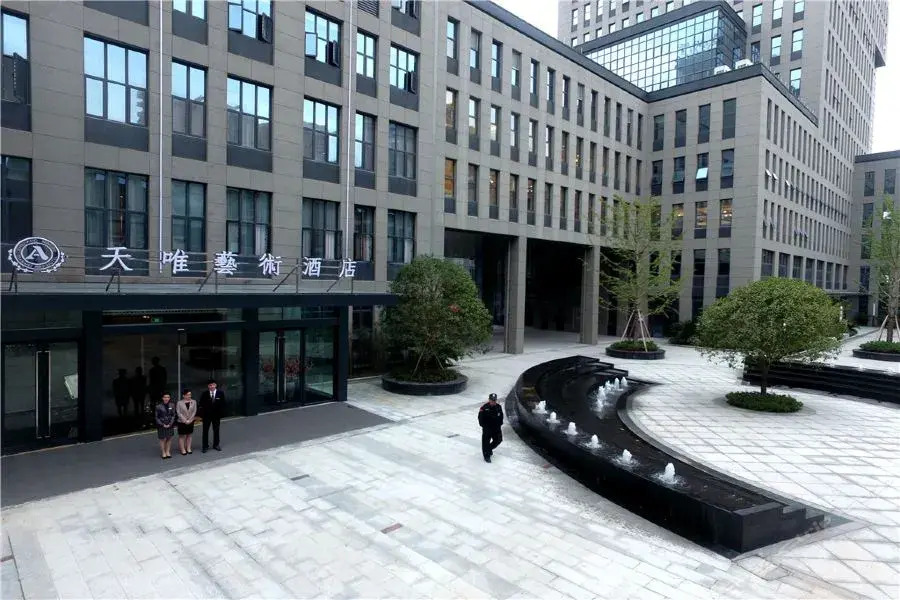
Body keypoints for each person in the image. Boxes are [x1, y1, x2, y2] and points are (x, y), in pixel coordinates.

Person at [199, 379, 225, 453]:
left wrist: (221, 414)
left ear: (215, 385)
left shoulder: (220, 393)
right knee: (205, 431)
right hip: (206, 416)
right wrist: (202, 415)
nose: (212, 386)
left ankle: (216, 445)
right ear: (208, 386)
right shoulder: (204, 394)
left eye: (213, 385)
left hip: (216, 416)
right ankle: (205, 446)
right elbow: (201, 404)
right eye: (210, 385)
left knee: (216, 430)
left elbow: (223, 404)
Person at [478, 393, 504, 463]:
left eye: (494, 400)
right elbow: (480, 418)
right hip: (487, 428)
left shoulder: (498, 407)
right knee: (486, 442)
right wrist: (484, 426)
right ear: (489, 400)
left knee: (498, 440)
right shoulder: (484, 408)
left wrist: (500, 424)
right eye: (492, 400)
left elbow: (501, 416)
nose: (493, 402)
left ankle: (489, 449)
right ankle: (486, 455)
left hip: (496, 428)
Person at [155, 392, 177, 459]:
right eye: (165, 397)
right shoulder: (158, 406)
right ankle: (163, 452)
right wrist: (162, 424)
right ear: (162, 398)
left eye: (168, 397)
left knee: (169, 438)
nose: (166, 398)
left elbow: (173, 415)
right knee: (162, 439)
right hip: (161, 425)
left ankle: (167, 451)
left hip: (170, 424)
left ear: (169, 398)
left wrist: (170, 423)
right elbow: (157, 417)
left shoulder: (172, 405)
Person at [176, 389, 197, 456]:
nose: (189, 396)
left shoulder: (194, 401)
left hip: (191, 421)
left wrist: (190, 420)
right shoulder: (179, 403)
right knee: (182, 436)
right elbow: (178, 413)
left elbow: (194, 411)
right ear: (183, 395)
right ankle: (182, 449)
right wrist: (185, 420)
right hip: (181, 422)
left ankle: (188, 448)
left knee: (189, 435)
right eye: (187, 395)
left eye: (190, 394)